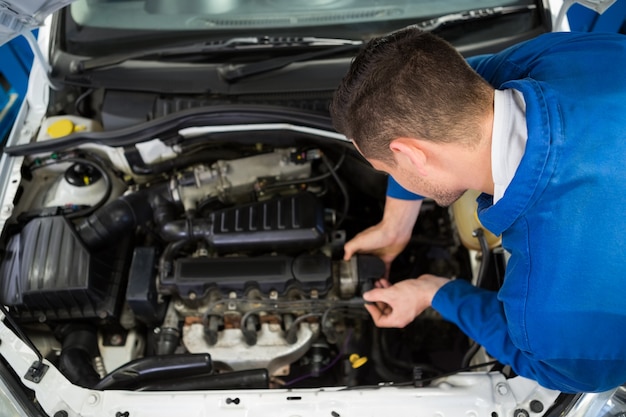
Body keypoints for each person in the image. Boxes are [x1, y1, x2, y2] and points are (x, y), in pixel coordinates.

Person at [330, 28, 626, 393]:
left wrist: (434, 291)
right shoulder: (562, 55)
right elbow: (439, 84)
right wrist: (395, 225)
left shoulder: (549, 314)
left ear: (411, 155)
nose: (393, 178)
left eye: (388, 169)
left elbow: (559, 372)